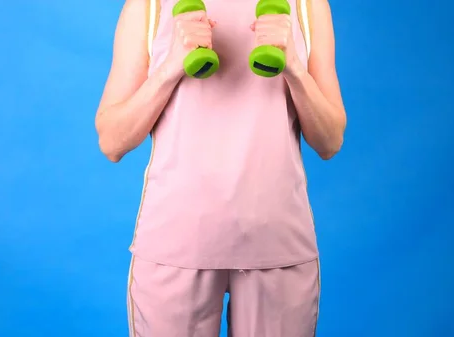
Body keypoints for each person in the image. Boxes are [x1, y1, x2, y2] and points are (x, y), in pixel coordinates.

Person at [95, 0, 346, 335]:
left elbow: (329, 141)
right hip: (176, 243)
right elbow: (112, 141)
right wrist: (171, 66)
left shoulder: (307, 5)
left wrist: (295, 68)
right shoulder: (149, 5)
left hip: (277, 243)